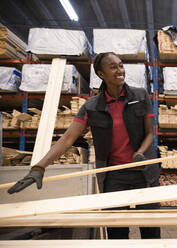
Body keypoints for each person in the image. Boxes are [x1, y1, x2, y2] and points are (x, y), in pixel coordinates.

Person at [8, 52, 161, 239]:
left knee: (151, 229)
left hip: (144, 171)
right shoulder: (92, 106)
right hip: (114, 175)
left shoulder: (140, 95)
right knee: (117, 231)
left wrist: (140, 153)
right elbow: (67, 139)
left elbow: (150, 133)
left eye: (121, 65)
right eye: (113, 67)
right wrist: (39, 167)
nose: (120, 70)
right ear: (101, 74)